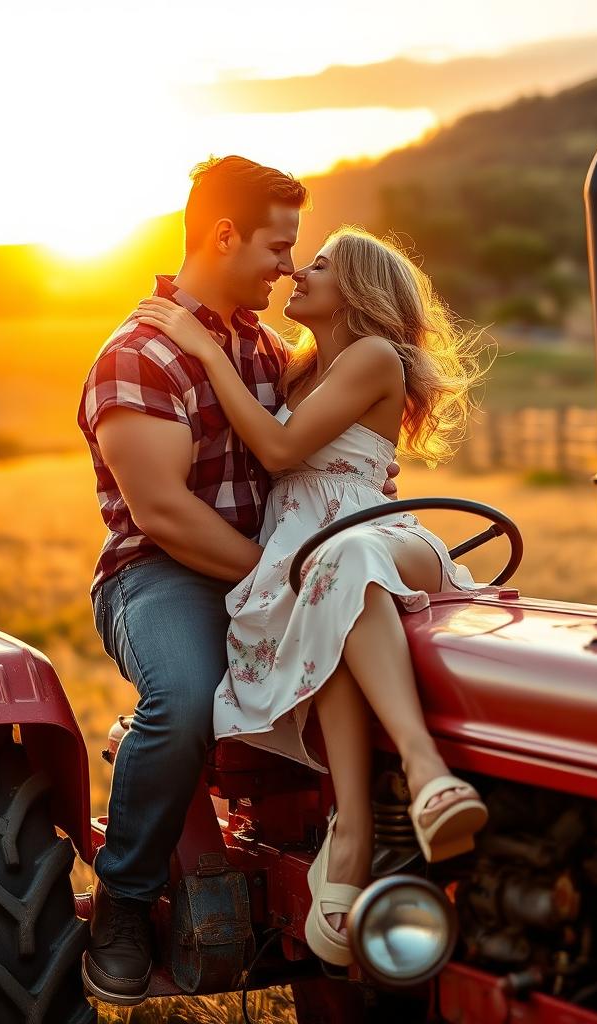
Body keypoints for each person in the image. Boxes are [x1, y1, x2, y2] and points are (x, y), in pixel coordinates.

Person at [76, 157, 402, 1005]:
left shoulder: (269, 350)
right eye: (278, 246)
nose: (290, 267)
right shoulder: (138, 356)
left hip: (283, 566)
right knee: (183, 697)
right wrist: (287, 579)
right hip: (165, 577)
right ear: (223, 235)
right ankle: (126, 896)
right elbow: (166, 516)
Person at [133, 225, 490, 967]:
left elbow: (279, 450)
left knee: (345, 556)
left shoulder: (371, 355)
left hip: (377, 535)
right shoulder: (297, 374)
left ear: (357, 287)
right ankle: (352, 829)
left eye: (318, 263)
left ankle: (425, 775)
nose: (298, 270)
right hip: (314, 558)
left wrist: (200, 347)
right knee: (323, 590)